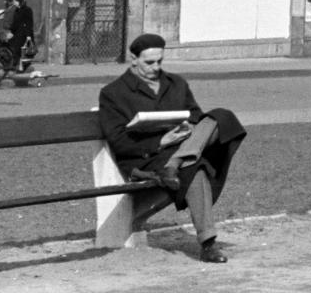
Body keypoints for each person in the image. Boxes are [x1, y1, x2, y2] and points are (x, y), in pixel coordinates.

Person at [97, 33, 247, 263]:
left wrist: (188, 127)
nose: (156, 67)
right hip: (147, 156)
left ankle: (175, 162)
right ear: (133, 59)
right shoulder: (113, 93)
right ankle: (208, 244)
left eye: (160, 61)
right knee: (195, 168)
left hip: (183, 145)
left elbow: (197, 116)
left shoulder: (176, 84)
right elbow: (119, 142)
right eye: (149, 63)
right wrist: (161, 141)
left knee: (222, 117)